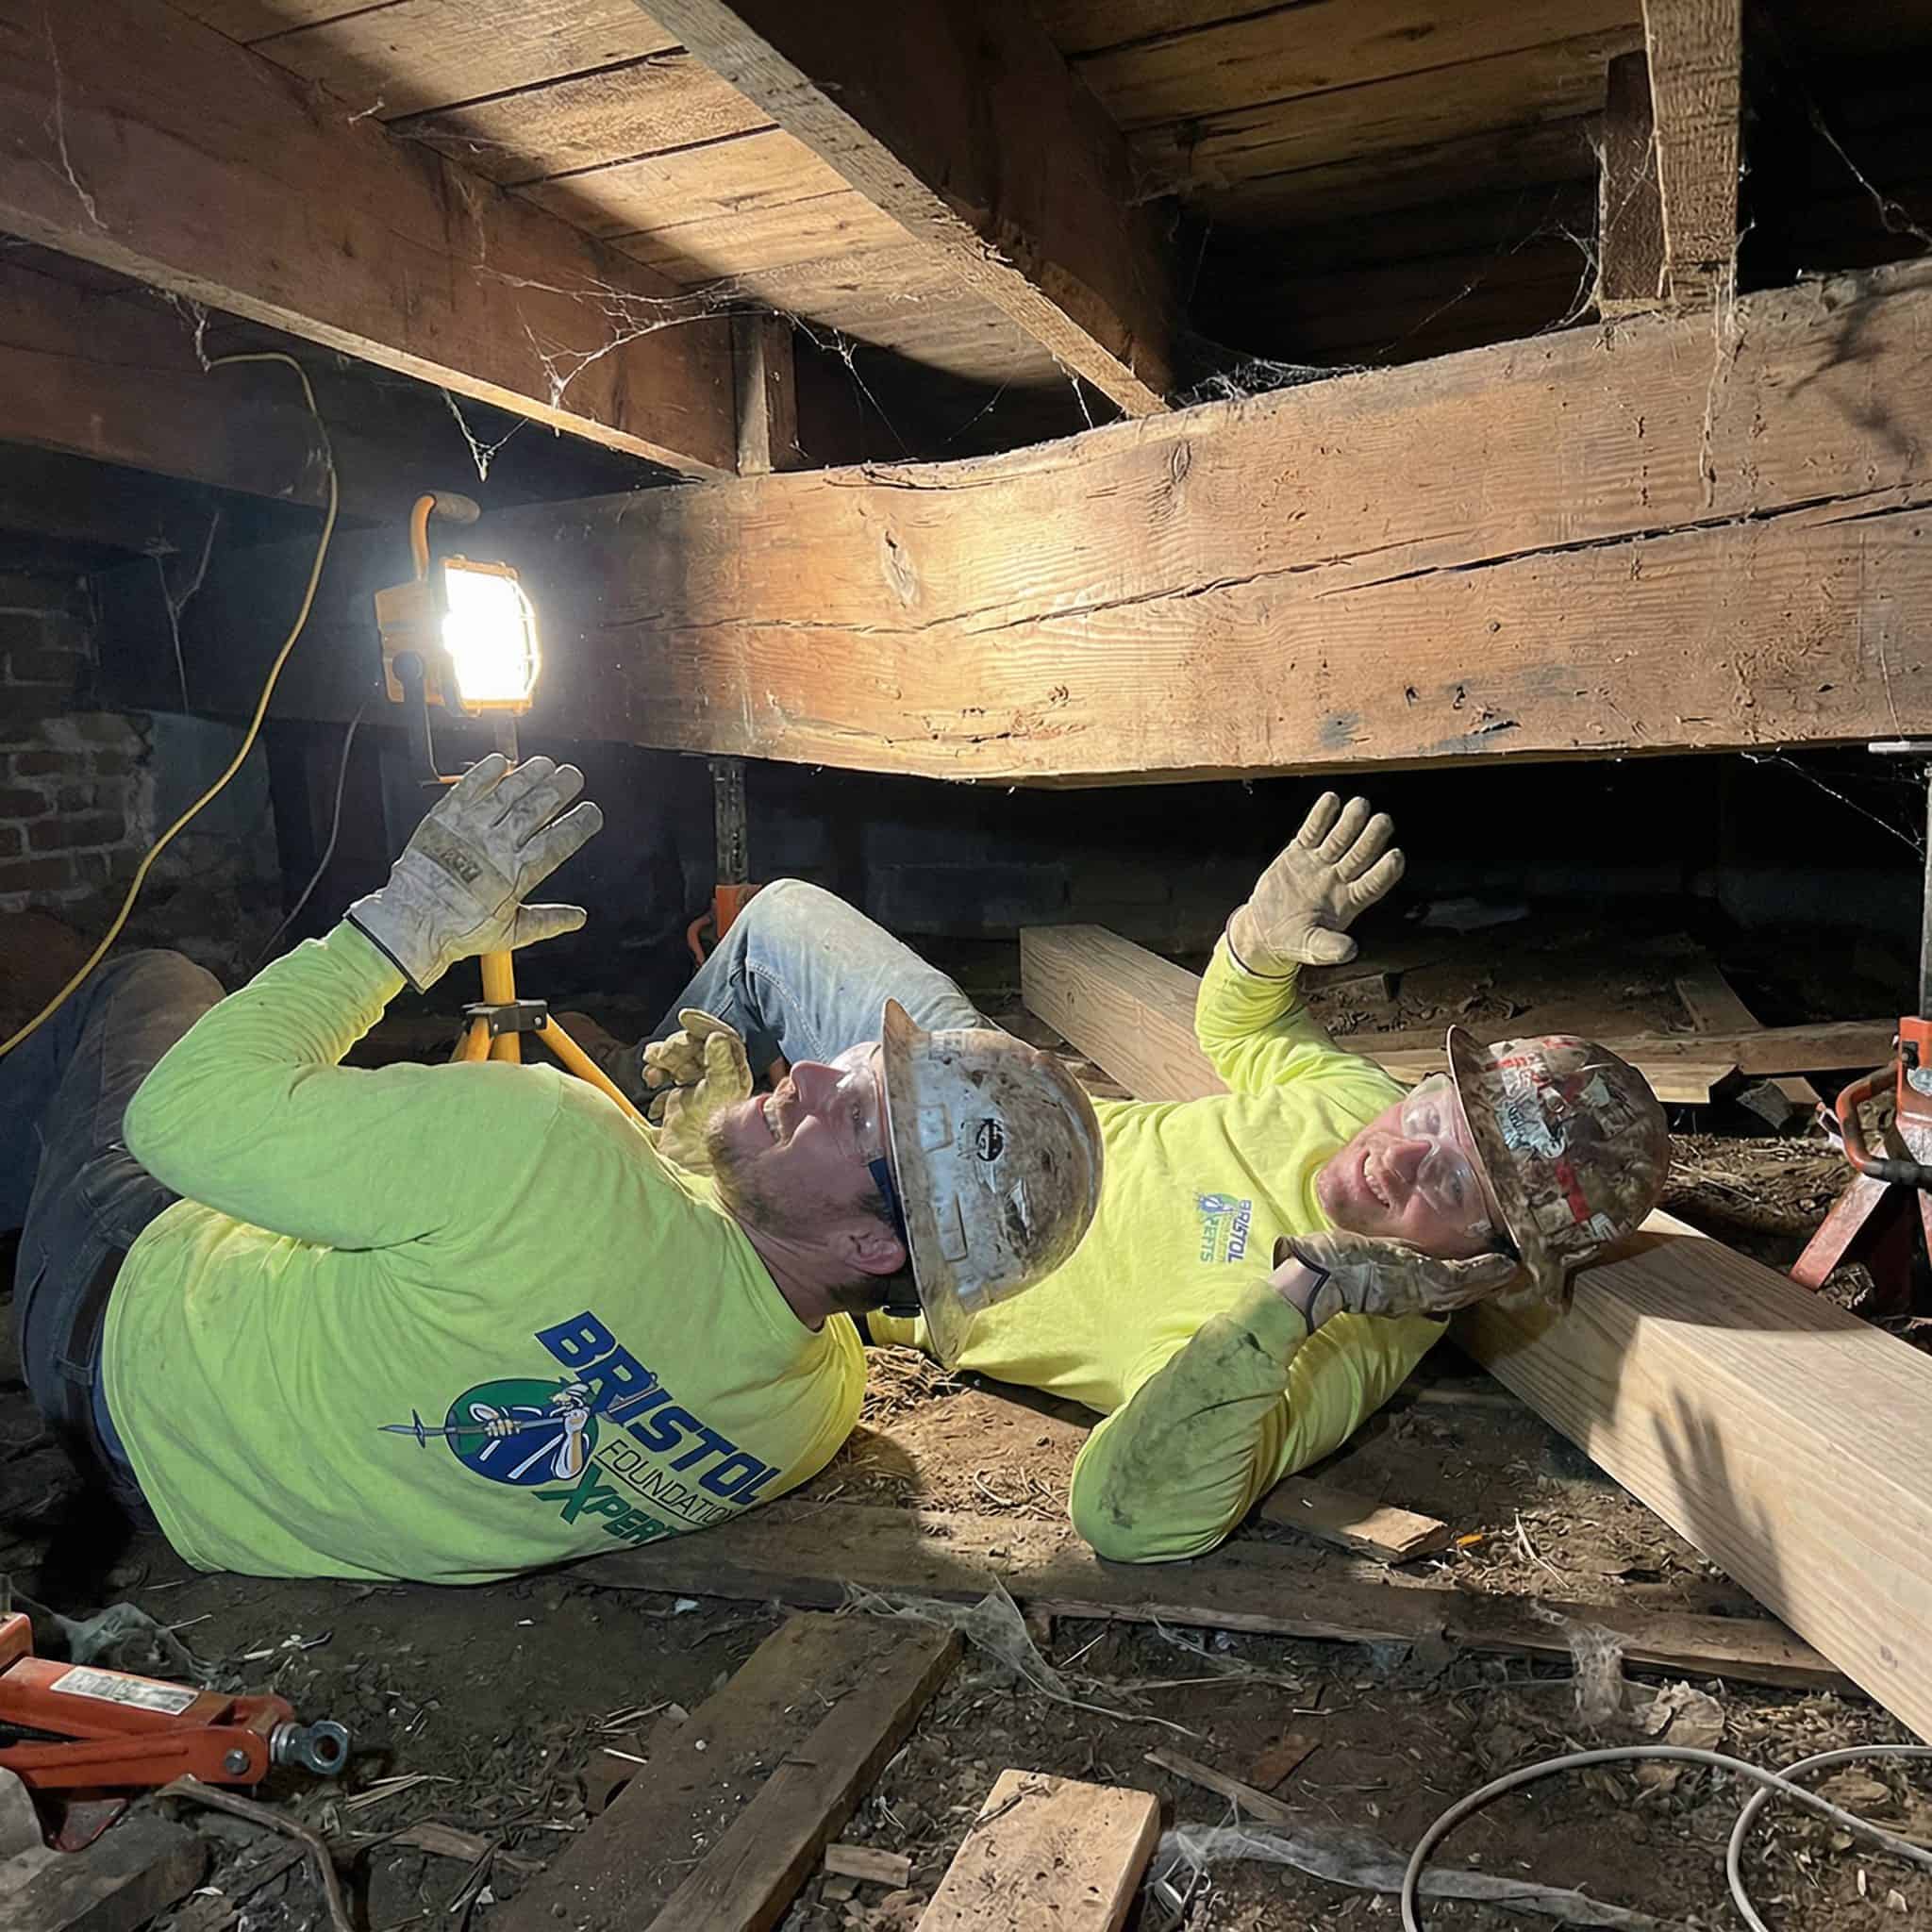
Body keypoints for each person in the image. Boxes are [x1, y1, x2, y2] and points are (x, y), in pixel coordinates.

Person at [0, 756, 1101, 1583]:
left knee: (149, 986)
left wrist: (403, 927)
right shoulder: (809, 1412)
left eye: (847, 1109)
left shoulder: (545, 1148)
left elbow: (179, 1120)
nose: (804, 1073)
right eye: (847, 1064)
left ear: (872, 1242)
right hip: (201, 1508)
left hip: (112, 1329)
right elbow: (662, 1288)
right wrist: (687, 1147)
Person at [600, 792, 1671, 1566]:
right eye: (1429, 1113)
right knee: (780, 917)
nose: (1394, 1152)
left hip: (936, 1216)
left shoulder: (1330, 1349)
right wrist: (1256, 944)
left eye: (1446, 1181)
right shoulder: (1356, 1101)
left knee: (665, 1196)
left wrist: (1292, 1297)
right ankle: (648, 1087)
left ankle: (659, 1149)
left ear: (1480, 1263)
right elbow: (1243, 1023)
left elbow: (1123, 1514)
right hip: (996, 1088)